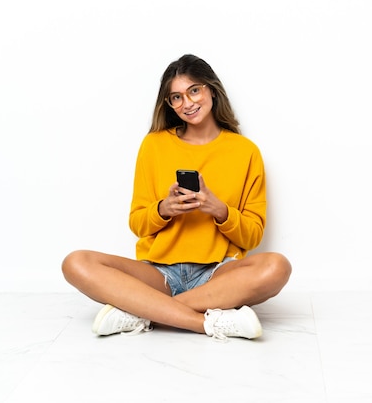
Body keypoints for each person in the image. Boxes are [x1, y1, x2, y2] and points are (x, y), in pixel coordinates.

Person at [62, 54, 292, 341]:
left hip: (218, 275)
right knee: (75, 262)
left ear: (211, 89)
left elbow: (252, 237)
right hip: (158, 275)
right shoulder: (154, 144)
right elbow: (138, 224)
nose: (187, 103)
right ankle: (208, 322)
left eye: (194, 90)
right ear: (168, 104)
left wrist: (220, 210)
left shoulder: (246, 152)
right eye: (176, 97)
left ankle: (142, 312)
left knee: (277, 267)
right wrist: (163, 209)